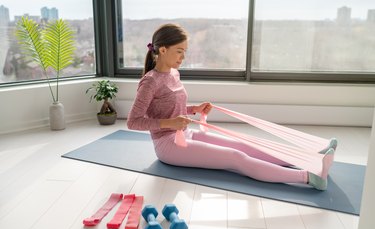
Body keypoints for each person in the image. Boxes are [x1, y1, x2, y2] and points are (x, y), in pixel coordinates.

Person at [127, 23, 334, 190]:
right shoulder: (150, 81)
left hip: (185, 133)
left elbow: (171, 107)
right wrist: (171, 122)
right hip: (168, 145)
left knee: (242, 145)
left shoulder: (174, 73)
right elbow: (133, 122)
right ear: (163, 50)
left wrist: (194, 109)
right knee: (236, 158)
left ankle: (309, 159)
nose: (183, 57)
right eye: (179, 51)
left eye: (185, 51)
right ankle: (309, 177)